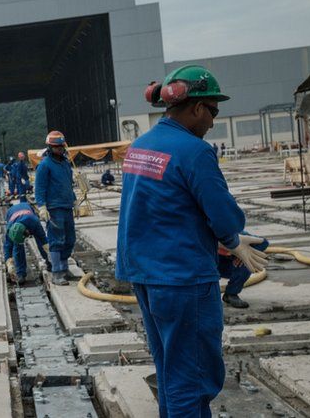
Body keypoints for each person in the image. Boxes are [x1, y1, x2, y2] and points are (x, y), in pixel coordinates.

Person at [116, 65, 267, 417]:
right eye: (213, 111)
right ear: (196, 108)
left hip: (145, 274)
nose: (213, 121)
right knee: (193, 377)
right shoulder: (194, 151)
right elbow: (224, 215)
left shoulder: (140, 146)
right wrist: (232, 237)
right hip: (182, 278)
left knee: (171, 370)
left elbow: (160, 206)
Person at [34, 131, 78, 285]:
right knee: (56, 240)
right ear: (50, 147)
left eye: (61, 146)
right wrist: (42, 207)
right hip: (54, 208)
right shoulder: (45, 165)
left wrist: (74, 201)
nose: (59, 149)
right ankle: (57, 272)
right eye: (56, 147)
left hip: (66, 206)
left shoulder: (65, 163)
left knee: (70, 239)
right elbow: (39, 188)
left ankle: (65, 269)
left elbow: (68, 183)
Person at [3, 198, 51, 285]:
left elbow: (43, 239)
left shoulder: (34, 222)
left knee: (40, 242)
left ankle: (48, 261)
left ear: (27, 231)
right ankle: (20, 273)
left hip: (26, 207)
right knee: (18, 248)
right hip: (11, 212)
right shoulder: (10, 230)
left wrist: (49, 254)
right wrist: (9, 263)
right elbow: (7, 246)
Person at [218, 234, 269, 308]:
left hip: (230, 265)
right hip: (211, 264)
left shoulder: (235, 233)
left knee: (247, 261)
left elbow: (264, 242)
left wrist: (242, 255)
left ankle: (231, 294)